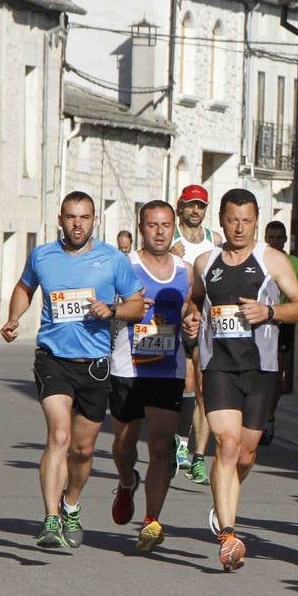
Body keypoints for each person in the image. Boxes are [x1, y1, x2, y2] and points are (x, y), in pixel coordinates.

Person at [0, 191, 145, 548]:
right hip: (53, 359)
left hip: (94, 366)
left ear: (95, 220)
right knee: (59, 437)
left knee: (82, 451)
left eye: (84, 217)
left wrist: (110, 310)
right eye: (71, 217)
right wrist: (14, 317)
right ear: (60, 219)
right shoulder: (43, 256)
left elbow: (137, 306)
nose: (77, 224)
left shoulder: (112, 260)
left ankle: (71, 504)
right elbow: (24, 287)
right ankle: (51, 519)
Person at [181, 189, 298, 570]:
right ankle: (228, 533)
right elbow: (195, 300)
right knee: (228, 442)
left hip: (261, 368)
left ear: (256, 221)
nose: (239, 227)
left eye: (247, 220)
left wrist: (269, 311)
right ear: (221, 219)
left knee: (247, 452)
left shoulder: (271, 260)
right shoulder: (206, 262)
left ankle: (224, 499)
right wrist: (190, 315)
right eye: (233, 219)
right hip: (218, 364)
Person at [107, 201, 191, 552]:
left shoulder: (187, 271)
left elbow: (194, 309)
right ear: (141, 228)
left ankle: (151, 520)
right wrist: (125, 311)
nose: (160, 231)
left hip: (168, 369)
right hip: (128, 366)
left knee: (160, 445)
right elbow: (107, 310)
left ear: (175, 228)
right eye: (153, 225)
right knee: (125, 445)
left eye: (166, 225)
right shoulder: (125, 266)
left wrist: (191, 320)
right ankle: (127, 481)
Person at [171, 184, 217, 485]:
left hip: (206, 321)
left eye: (200, 205)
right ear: (180, 207)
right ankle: (180, 443)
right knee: (185, 384)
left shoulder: (216, 242)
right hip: (174, 320)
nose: (195, 211)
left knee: (204, 387)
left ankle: (198, 456)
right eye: (190, 205)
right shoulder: (170, 240)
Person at [261, 220, 298, 446]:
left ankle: (269, 416)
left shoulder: (294, 263)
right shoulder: (259, 259)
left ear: (285, 240)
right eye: (271, 237)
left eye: (278, 238)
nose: (274, 241)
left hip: (283, 323)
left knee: (276, 374)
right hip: (260, 322)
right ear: (265, 238)